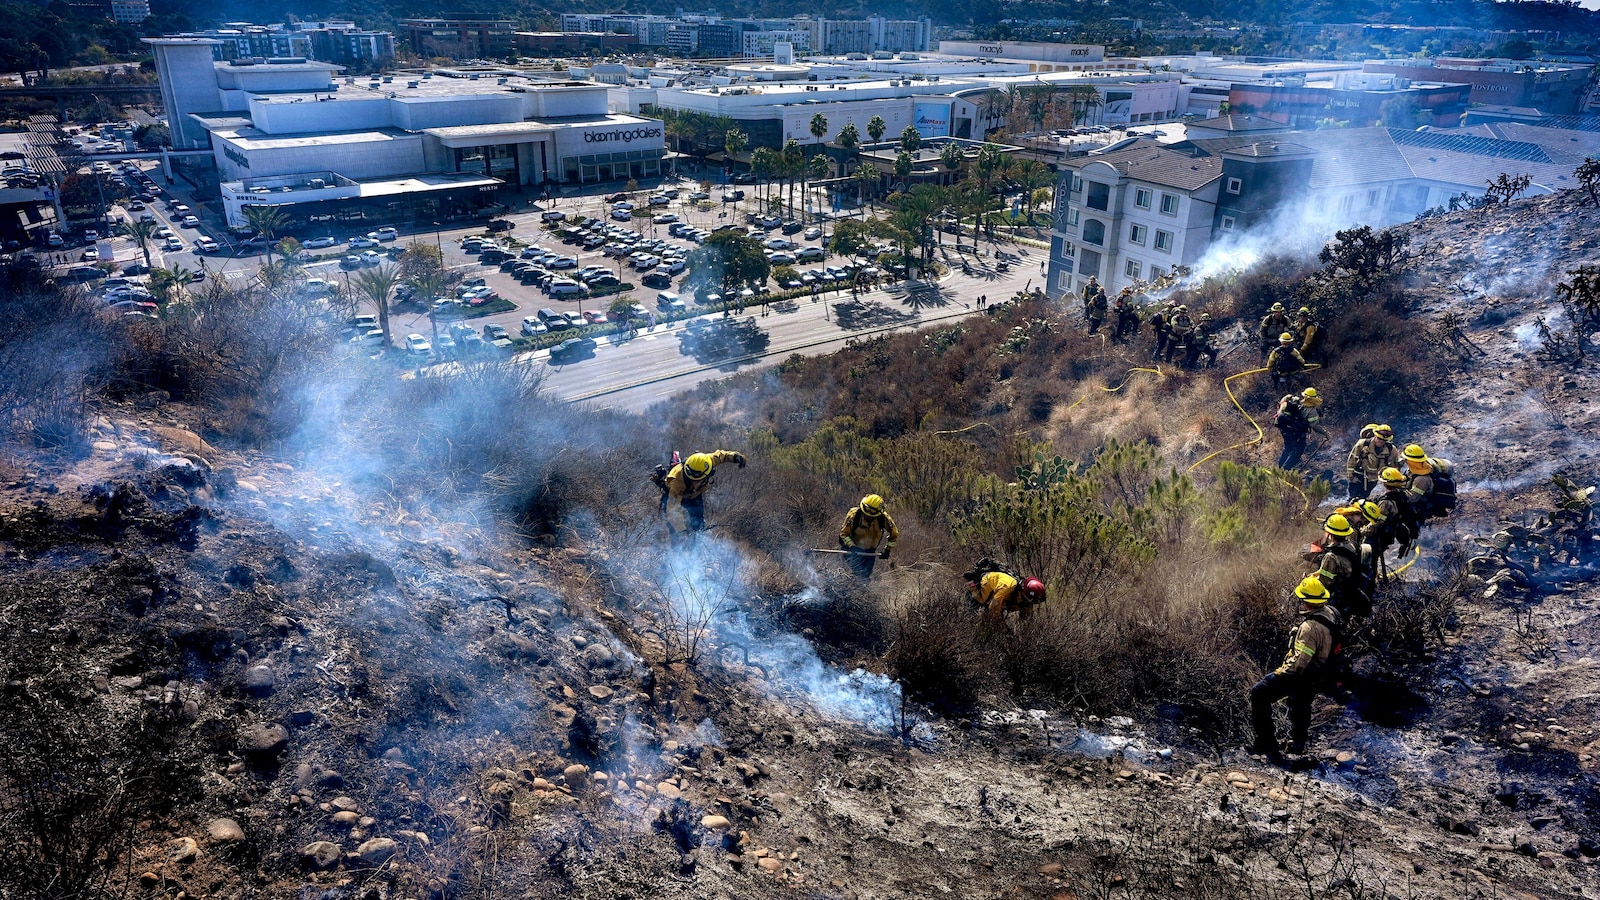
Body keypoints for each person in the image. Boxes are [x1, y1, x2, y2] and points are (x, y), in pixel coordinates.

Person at [1249, 577, 1340, 761]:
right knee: (1301, 704)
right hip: (1321, 672)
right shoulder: (1331, 613)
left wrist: (1280, 673)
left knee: (1259, 693)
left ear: (1306, 601)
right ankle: (1296, 743)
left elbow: (1300, 663)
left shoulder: (1309, 627)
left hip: (1303, 674)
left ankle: (1266, 743)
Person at [660, 449, 747, 533]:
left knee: (698, 523)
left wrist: (735, 456)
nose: (695, 483)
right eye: (693, 480)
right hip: (675, 494)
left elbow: (722, 456)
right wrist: (681, 531)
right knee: (674, 529)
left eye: (697, 480)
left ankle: (698, 533)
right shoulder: (677, 483)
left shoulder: (707, 462)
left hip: (694, 495)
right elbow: (673, 509)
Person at [1305, 513, 1368, 621]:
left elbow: (1324, 583)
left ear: (1330, 534)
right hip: (1351, 593)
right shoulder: (1352, 546)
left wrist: (1309, 581)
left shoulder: (1331, 557)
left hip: (1337, 599)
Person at [963, 558, 1047, 622]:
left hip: (992, 601)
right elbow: (993, 608)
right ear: (1025, 594)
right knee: (970, 621)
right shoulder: (1007, 587)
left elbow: (1026, 622)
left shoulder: (1025, 600)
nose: (1031, 604)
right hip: (977, 594)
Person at [838, 493, 899, 580]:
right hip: (852, 549)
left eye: (871, 514)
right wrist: (852, 547)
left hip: (870, 551)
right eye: (866, 512)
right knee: (859, 573)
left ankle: (860, 586)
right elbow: (844, 534)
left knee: (866, 574)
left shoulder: (883, 519)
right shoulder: (854, 515)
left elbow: (894, 534)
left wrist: (887, 550)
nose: (868, 515)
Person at [1345, 424, 1401, 502]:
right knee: (1353, 498)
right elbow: (1352, 460)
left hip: (1373, 478)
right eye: (1379, 438)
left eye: (1384, 440)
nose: (1381, 441)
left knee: (1364, 498)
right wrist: (1351, 476)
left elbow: (1393, 467)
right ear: (1375, 435)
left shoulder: (1391, 449)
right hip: (1358, 476)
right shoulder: (1362, 444)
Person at [1273, 387, 1324, 471]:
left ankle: (1279, 470)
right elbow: (1315, 426)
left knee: (1287, 448)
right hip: (1297, 434)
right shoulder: (1311, 411)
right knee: (1297, 452)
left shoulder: (1297, 404)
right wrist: (1325, 433)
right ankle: (1285, 471)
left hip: (1285, 430)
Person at [1402, 444, 1457, 522]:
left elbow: (1412, 498)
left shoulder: (1422, 479)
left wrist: (1398, 492)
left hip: (1421, 509)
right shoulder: (1416, 469)